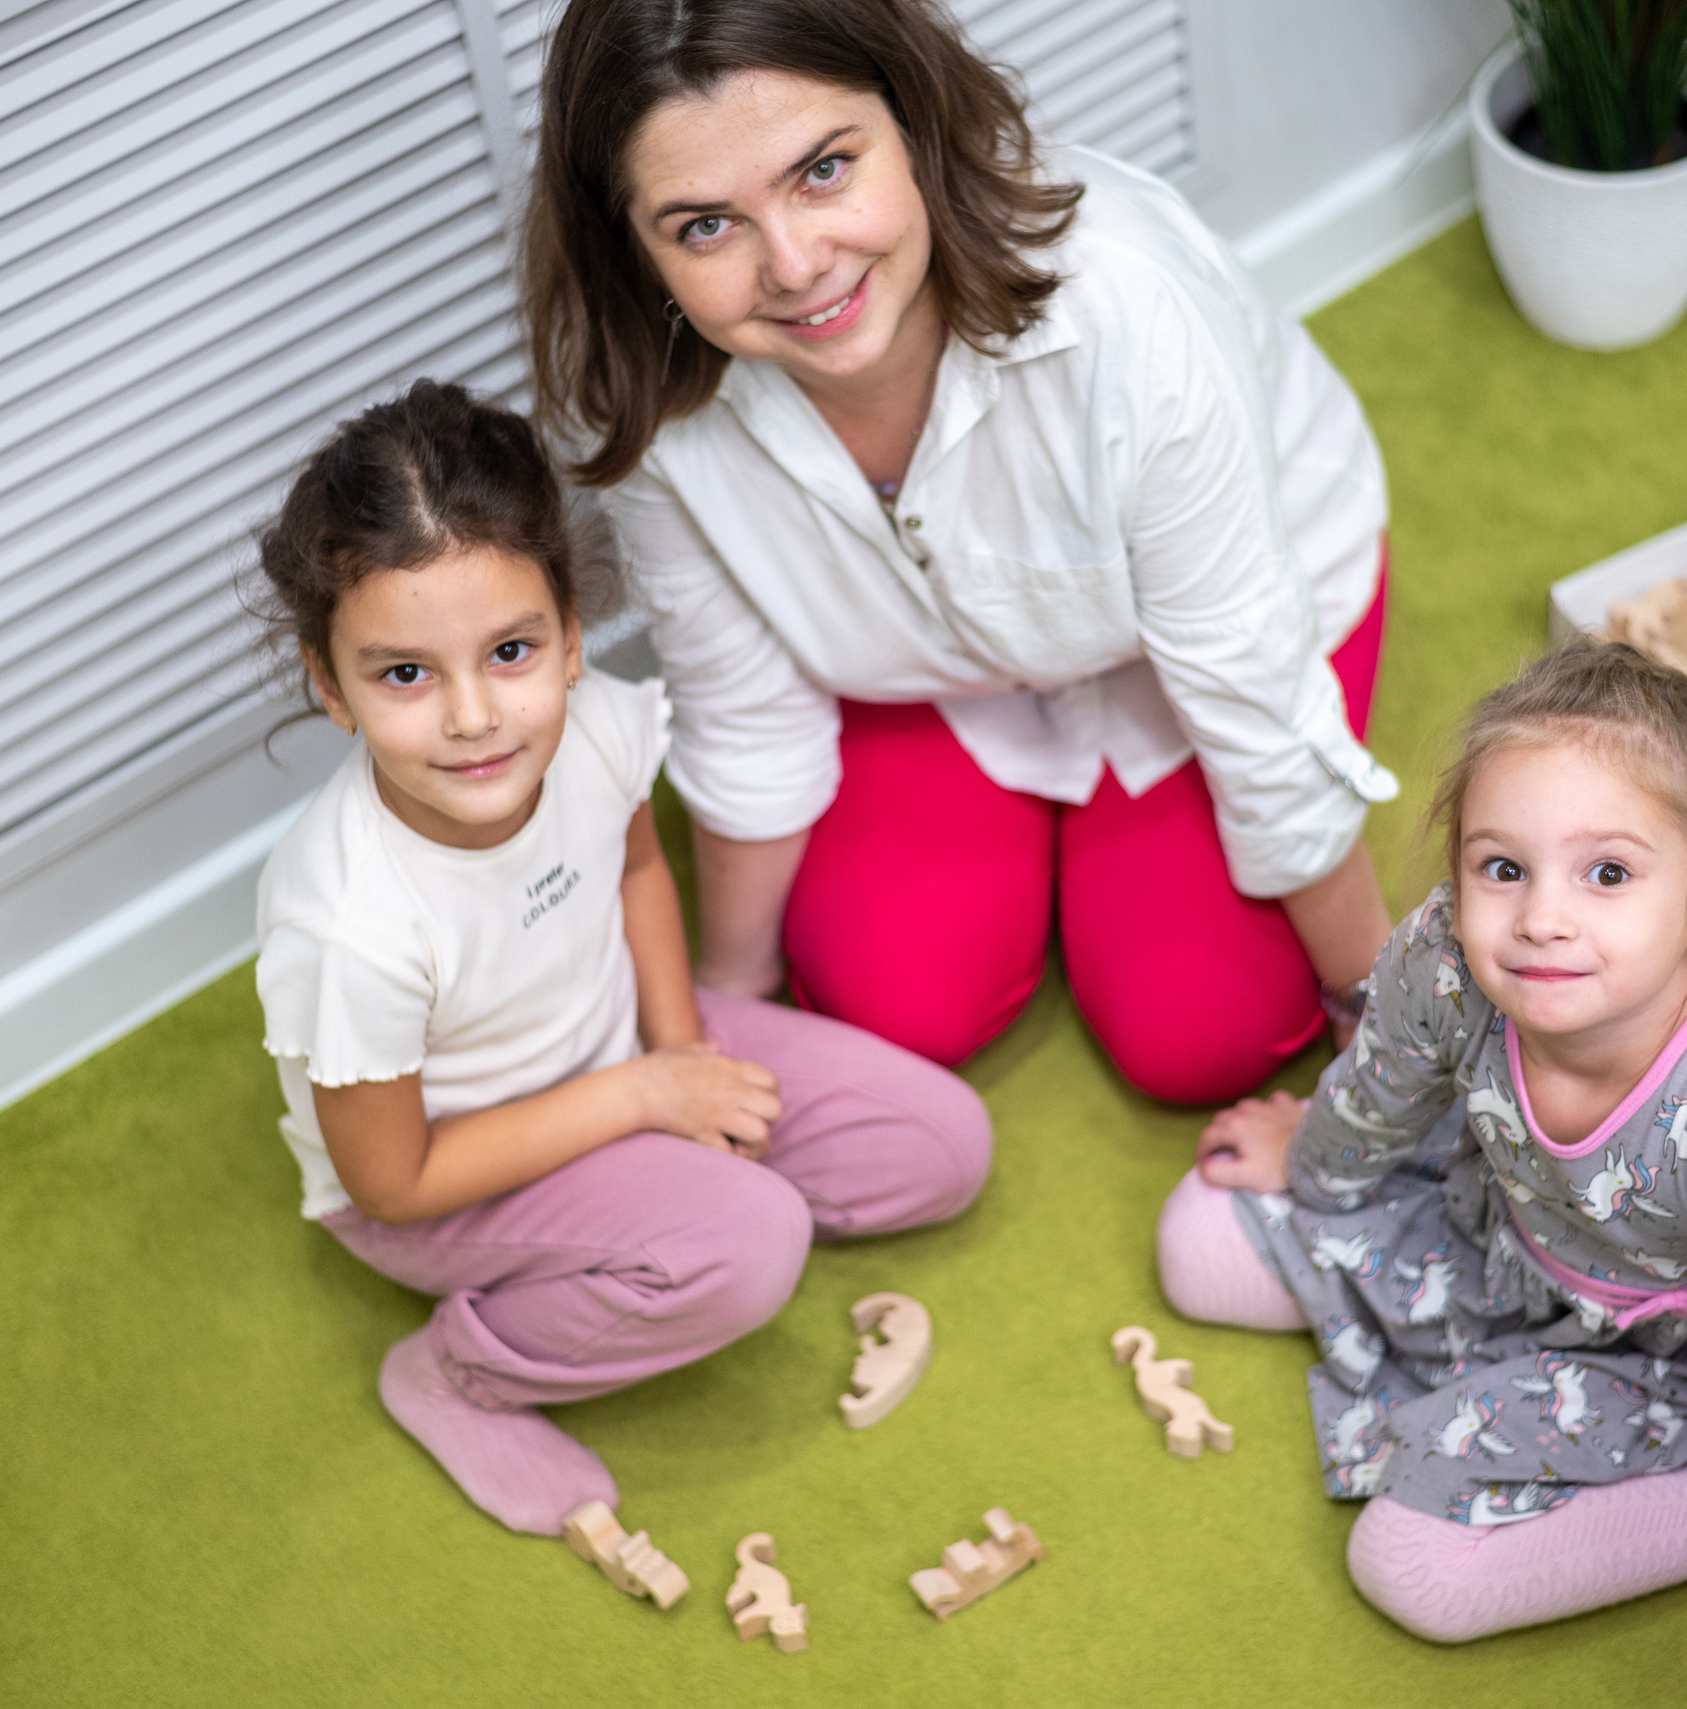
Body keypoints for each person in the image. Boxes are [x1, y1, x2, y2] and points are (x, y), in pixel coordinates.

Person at [522, 0, 1398, 1105]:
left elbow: (1250, 699)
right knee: (896, 1004)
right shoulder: (645, 397)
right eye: (704, 226)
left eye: (825, 170)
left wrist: (1381, 1030)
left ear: (914, 120)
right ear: (633, 247)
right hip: (924, 672)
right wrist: (717, 1017)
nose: (794, 265)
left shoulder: (1128, 301)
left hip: (1215, 633)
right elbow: (747, 718)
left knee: (1199, 1034)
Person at [248, 381, 990, 1536]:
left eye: (509, 650)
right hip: (446, 1177)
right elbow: (392, 1181)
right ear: (327, 685)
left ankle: (673, 1214)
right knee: (753, 1244)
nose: (473, 715)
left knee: (943, 1145)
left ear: (572, 636)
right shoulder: (350, 923)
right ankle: (458, 1374)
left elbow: (639, 871)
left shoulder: (592, 725)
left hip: (622, 1047)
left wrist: (680, 1052)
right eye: (404, 673)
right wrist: (642, 1096)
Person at [1157, 642, 1687, 1641]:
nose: (1542, 917)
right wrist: (1312, 1158)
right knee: (1195, 1236)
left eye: (1607, 872)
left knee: (1409, 1566)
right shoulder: (1450, 948)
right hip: (1493, 1236)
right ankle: (1436, 1344)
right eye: (1502, 866)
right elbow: (1383, 1082)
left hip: (1656, 1356)